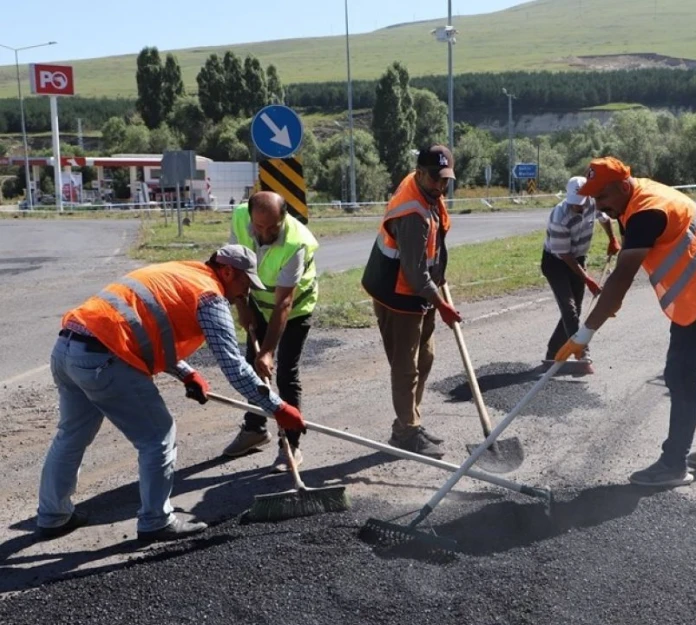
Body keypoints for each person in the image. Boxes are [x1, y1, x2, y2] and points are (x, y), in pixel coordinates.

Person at [36, 245, 307, 542]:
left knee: (71, 435)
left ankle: (53, 515)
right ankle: (156, 521)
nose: (244, 293)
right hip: (105, 358)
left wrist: (186, 373)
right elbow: (233, 366)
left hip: (68, 349)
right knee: (157, 437)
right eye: (245, 283)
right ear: (228, 272)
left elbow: (149, 329)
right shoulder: (210, 296)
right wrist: (277, 407)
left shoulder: (183, 273)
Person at [557, 157, 696, 487]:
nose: (599, 206)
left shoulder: (646, 213)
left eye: (602, 197)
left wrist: (584, 335)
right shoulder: (637, 194)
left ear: (622, 186)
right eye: (594, 198)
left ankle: (673, 464)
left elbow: (619, 283)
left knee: (680, 373)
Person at [361, 145, 461, 459]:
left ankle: (409, 421)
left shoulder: (428, 194)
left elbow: (432, 251)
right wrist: (442, 305)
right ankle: (406, 431)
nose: (441, 185)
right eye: (435, 178)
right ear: (419, 172)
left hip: (420, 290)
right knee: (406, 367)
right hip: (397, 294)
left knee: (425, 358)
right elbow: (415, 273)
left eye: (445, 179)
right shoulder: (412, 213)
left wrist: (439, 281)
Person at [221, 191, 319, 473]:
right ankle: (255, 430)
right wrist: (242, 305)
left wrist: (268, 352)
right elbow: (233, 264)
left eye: (272, 228)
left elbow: (285, 302)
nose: (264, 234)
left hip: (295, 307)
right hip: (257, 302)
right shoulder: (241, 217)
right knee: (253, 368)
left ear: (284, 218)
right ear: (251, 217)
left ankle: (291, 444)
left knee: (286, 372)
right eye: (259, 227)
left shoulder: (296, 242)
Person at [541, 175, 619, 370]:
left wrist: (612, 238)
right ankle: (582, 354)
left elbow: (604, 218)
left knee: (573, 310)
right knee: (569, 309)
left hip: (578, 258)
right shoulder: (559, 217)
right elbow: (565, 256)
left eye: (581, 203)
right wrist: (588, 280)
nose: (578, 207)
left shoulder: (594, 202)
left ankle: (552, 353)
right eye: (574, 204)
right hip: (556, 262)